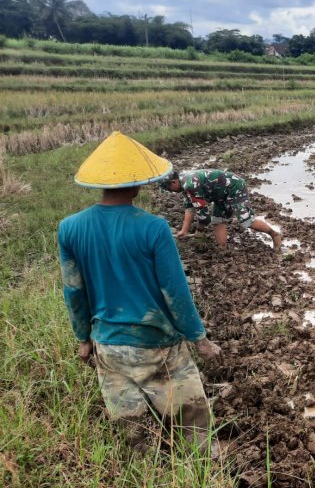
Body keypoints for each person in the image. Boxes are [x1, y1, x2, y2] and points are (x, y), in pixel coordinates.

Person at [58, 131, 222, 453]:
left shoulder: (70, 227)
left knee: (131, 432)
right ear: (136, 183)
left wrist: (83, 340)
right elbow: (175, 292)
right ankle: (207, 468)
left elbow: (74, 292)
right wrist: (199, 339)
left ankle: (145, 478)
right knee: (194, 425)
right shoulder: (155, 228)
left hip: (108, 345)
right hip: (158, 345)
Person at [160, 168, 282, 252]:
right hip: (219, 194)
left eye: (168, 188)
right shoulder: (182, 183)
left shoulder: (190, 185)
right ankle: (223, 249)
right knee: (217, 220)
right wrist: (184, 231)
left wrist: (200, 230)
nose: (170, 191)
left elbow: (203, 215)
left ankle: (275, 235)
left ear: (174, 182)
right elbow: (189, 207)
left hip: (234, 187)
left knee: (246, 221)